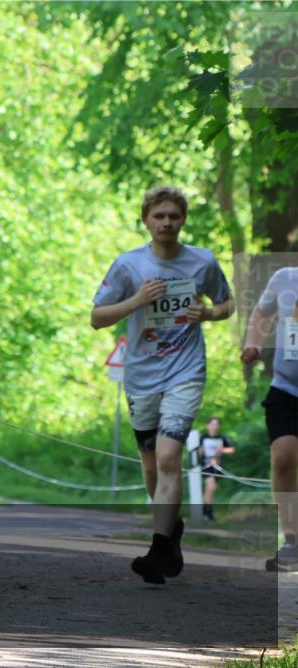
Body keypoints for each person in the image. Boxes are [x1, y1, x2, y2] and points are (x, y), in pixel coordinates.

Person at [91, 185, 234, 584]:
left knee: (170, 458)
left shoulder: (202, 262)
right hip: (141, 376)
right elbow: (97, 317)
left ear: (183, 219)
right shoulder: (129, 266)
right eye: (159, 216)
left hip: (185, 372)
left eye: (173, 215)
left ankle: (157, 551)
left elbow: (228, 303)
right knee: (152, 466)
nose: (167, 222)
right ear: (146, 221)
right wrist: (137, 301)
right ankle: (170, 532)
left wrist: (207, 313)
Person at [241, 266, 298, 571]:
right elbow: (262, 314)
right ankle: (293, 541)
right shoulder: (284, 278)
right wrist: (254, 342)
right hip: (286, 388)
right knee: (283, 457)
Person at [198, 417, 234, 521]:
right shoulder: (203, 438)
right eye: (213, 424)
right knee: (211, 487)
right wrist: (200, 452)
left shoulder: (221, 438)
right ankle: (209, 512)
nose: (215, 427)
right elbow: (197, 453)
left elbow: (231, 449)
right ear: (208, 425)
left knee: (210, 489)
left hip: (217, 466)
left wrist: (222, 449)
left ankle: (206, 509)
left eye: (216, 424)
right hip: (206, 466)